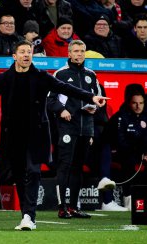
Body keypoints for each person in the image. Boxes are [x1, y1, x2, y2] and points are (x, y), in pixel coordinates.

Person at [0, 40, 108, 230]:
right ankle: (25, 214)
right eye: (23, 52)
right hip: (13, 135)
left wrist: (91, 97)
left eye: (29, 52)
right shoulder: (4, 78)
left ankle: (29, 217)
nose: (27, 55)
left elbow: (66, 88)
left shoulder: (41, 77)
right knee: (19, 175)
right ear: (14, 56)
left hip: (37, 134)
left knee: (33, 171)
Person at [47, 40, 101, 218]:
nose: (79, 54)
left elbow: (98, 99)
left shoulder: (91, 75)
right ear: (69, 54)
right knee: (64, 166)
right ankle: (62, 207)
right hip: (67, 128)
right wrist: (61, 110)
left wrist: (95, 109)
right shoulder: (60, 74)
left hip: (85, 128)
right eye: (76, 51)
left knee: (78, 167)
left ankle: (73, 207)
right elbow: (50, 100)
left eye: (82, 51)